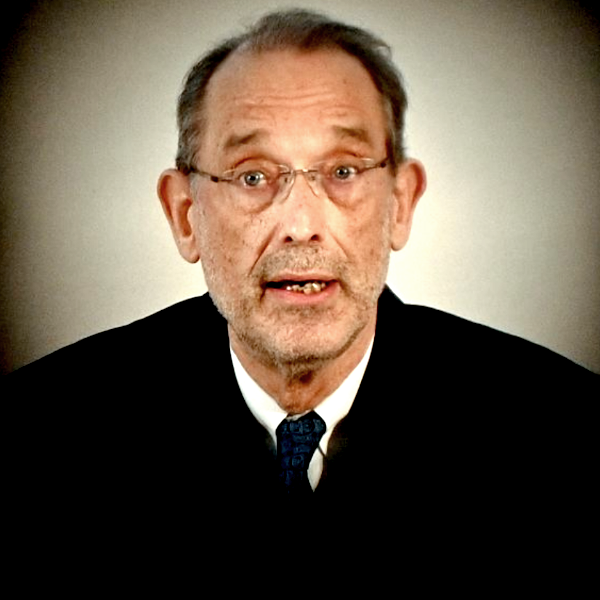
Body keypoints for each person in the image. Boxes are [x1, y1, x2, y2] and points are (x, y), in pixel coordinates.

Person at [4, 8, 597, 567]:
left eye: (342, 171)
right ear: (186, 215)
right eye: (253, 176)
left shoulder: (558, 433)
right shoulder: (47, 434)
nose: (301, 224)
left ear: (400, 203)